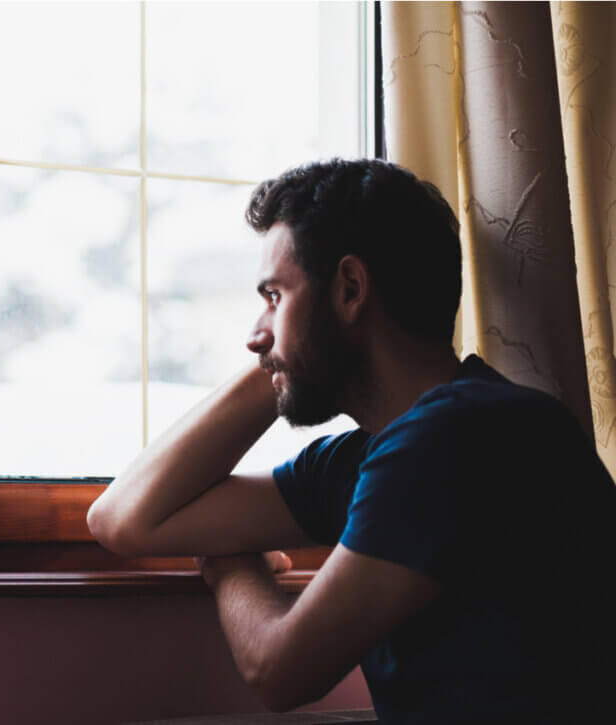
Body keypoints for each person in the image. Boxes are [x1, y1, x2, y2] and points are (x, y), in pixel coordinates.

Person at [86, 158, 616, 723]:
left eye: (273, 297)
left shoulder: (463, 436)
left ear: (349, 289)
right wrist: (287, 350)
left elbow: (279, 672)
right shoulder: (372, 455)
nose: (253, 335)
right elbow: (121, 519)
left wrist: (230, 569)